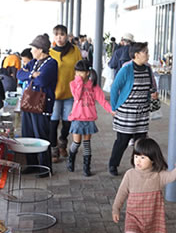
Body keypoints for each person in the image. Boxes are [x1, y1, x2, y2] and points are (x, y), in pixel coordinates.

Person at [109, 42, 157, 176]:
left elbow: (152, 85)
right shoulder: (126, 68)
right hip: (126, 113)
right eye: (145, 52)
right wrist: (113, 107)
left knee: (141, 142)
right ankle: (113, 164)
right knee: (122, 141)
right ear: (136, 55)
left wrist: (153, 93)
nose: (148, 55)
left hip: (142, 112)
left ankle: (139, 166)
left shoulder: (148, 68)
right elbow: (114, 88)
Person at [17, 34, 58, 170]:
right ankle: (32, 165)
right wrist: (31, 75)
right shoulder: (33, 63)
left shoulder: (51, 63)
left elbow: (43, 80)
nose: (31, 51)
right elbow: (19, 75)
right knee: (28, 134)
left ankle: (45, 167)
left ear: (41, 49)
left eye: (33, 48)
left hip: (42, 105)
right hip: (29, 104)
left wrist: (32, 77)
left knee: (41, 136)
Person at [67, 60, 113, 176]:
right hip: (77, 118)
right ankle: (70, 160)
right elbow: (77, 96)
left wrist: (111, 110)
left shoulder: (94, 86)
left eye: (81, 72)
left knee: (87, 143)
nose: (78, 74)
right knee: (76, 143)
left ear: (87, 72)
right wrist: (79, 81)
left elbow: (102, 100)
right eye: (76, 71)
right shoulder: (73, 84)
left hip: (89, 118)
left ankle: (86, 167)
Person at [48, 25, 82, 162]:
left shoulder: (75, 51)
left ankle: (63, 141)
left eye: (62, 35)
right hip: (54, 94)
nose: (59, 38)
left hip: (70, 93)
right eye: (56, 35)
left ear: (67, 36)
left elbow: (81, 69)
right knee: (53, 122)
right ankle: (54, 150)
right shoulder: (50, 52)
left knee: (68, 122)